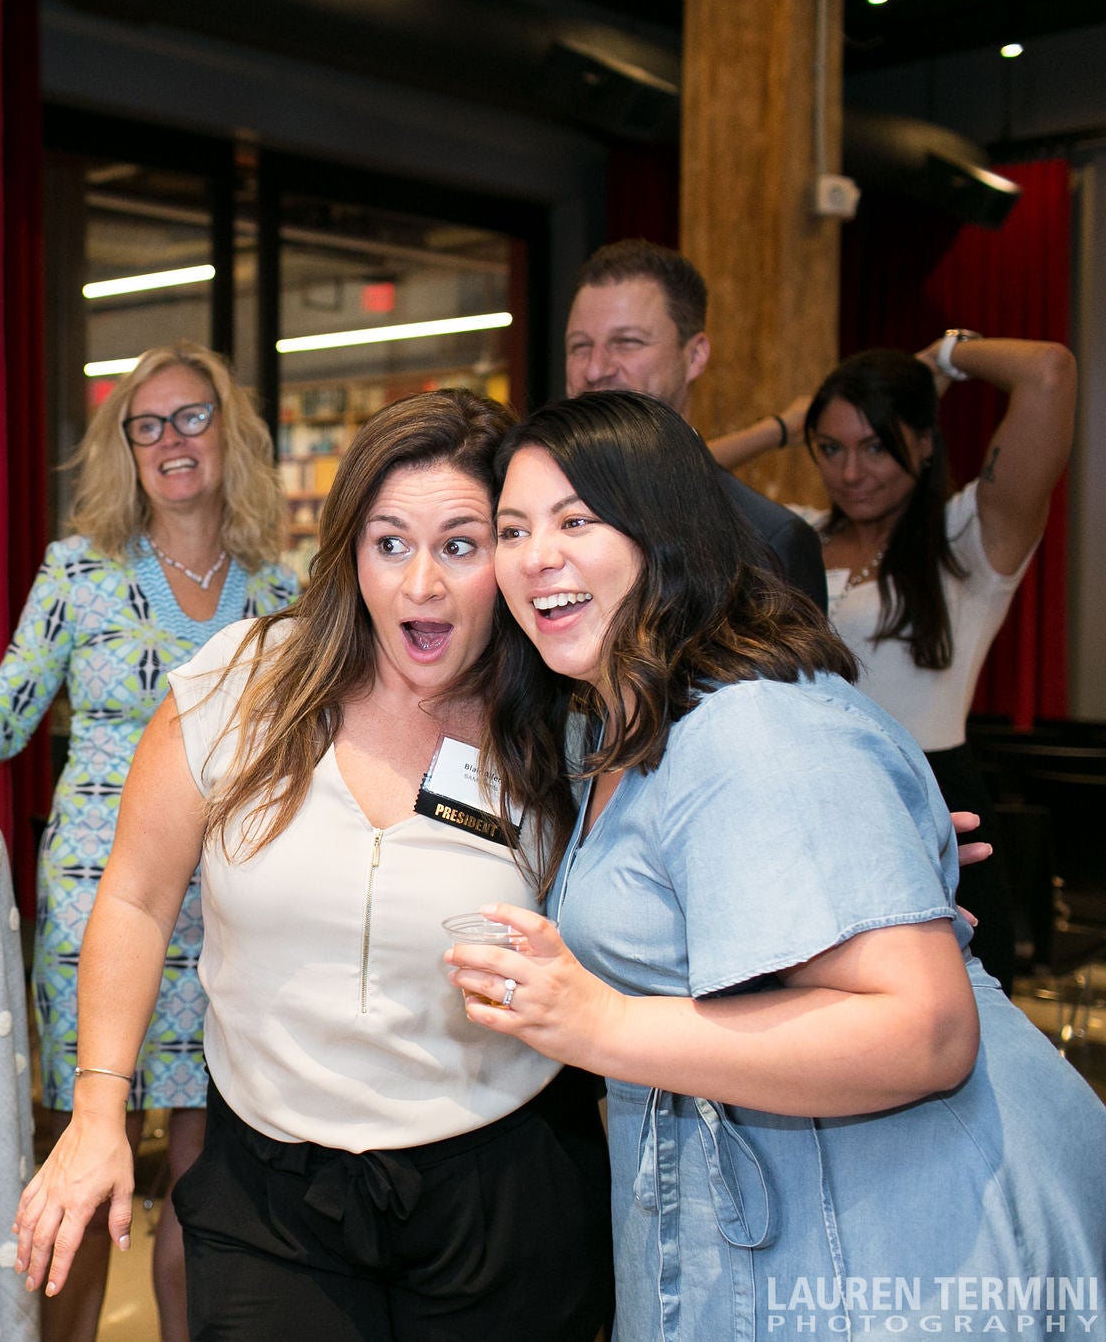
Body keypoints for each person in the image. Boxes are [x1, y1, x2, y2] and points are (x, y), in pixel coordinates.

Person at [455, 390, 1106, 1339]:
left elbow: (925, 1033)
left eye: (576, 519)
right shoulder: (611, 719)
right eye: (512, 529)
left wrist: (597, 1022)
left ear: (662, 528)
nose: (535, 555)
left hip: (895, 1244)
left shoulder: (754, 727)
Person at [14, 391, 612, 1341]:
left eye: (459, 545)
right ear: (348, 552)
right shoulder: (244, 682)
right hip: (273, 1196)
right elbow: (133, 896)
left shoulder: (566, 719)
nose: (421, 584)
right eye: (389, 543)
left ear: (507, 555)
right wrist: (96, 1110)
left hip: (504, 1183)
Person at [0, 340, 296, 1342]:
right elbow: (9, 710)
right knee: (85, 1157)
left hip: (232, 900)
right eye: (144, 424)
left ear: (227, 431)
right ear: (124, 449)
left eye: (189, 416)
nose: (169, 440)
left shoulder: (285, 591)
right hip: (98, 895)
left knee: (205, 1188)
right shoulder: (78, 573)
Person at [723, 336, 1075, 990]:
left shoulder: (969, 540)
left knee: (955, 1025)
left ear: (922, 442)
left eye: (876, 445)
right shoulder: (796, 537)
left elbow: (1051, 372)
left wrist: (946, 358)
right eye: (831, 448)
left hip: (937, 809)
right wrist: (785, 425)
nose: (851, 471)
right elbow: (677, 481)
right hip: (811, 806)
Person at [564, 239, 828, 609]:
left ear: (695, 356)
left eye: (627, 342)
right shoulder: (522, 519)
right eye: (579, 346)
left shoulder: (768, 542)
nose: (595, 368)